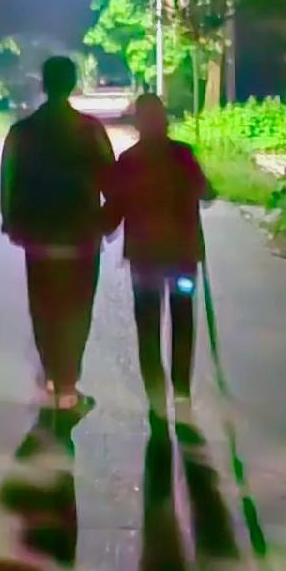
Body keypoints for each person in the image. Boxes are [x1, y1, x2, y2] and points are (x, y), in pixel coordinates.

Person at [1, 56, 114, 412]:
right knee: (78, 307)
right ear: (73, 83)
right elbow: (111, 179)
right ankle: (68, 381)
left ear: (43, 84)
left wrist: (11, 221)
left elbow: (8, 179)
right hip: (81, 235)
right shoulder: (90, 130)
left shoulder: (23, 131)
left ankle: (52, 374)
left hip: (38, 236)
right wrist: (108, 220)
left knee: (44, 306)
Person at [102, 93, 215, 427]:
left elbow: (115, 208)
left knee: (148, 325)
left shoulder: (129, 160)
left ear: (138, 123)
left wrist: (94, 228)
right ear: (164, 120)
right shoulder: (183, 154)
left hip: (145, 258)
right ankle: (181, 391)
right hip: (182, 255)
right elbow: (206, 191)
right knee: (183, 321)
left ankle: (155, 395)